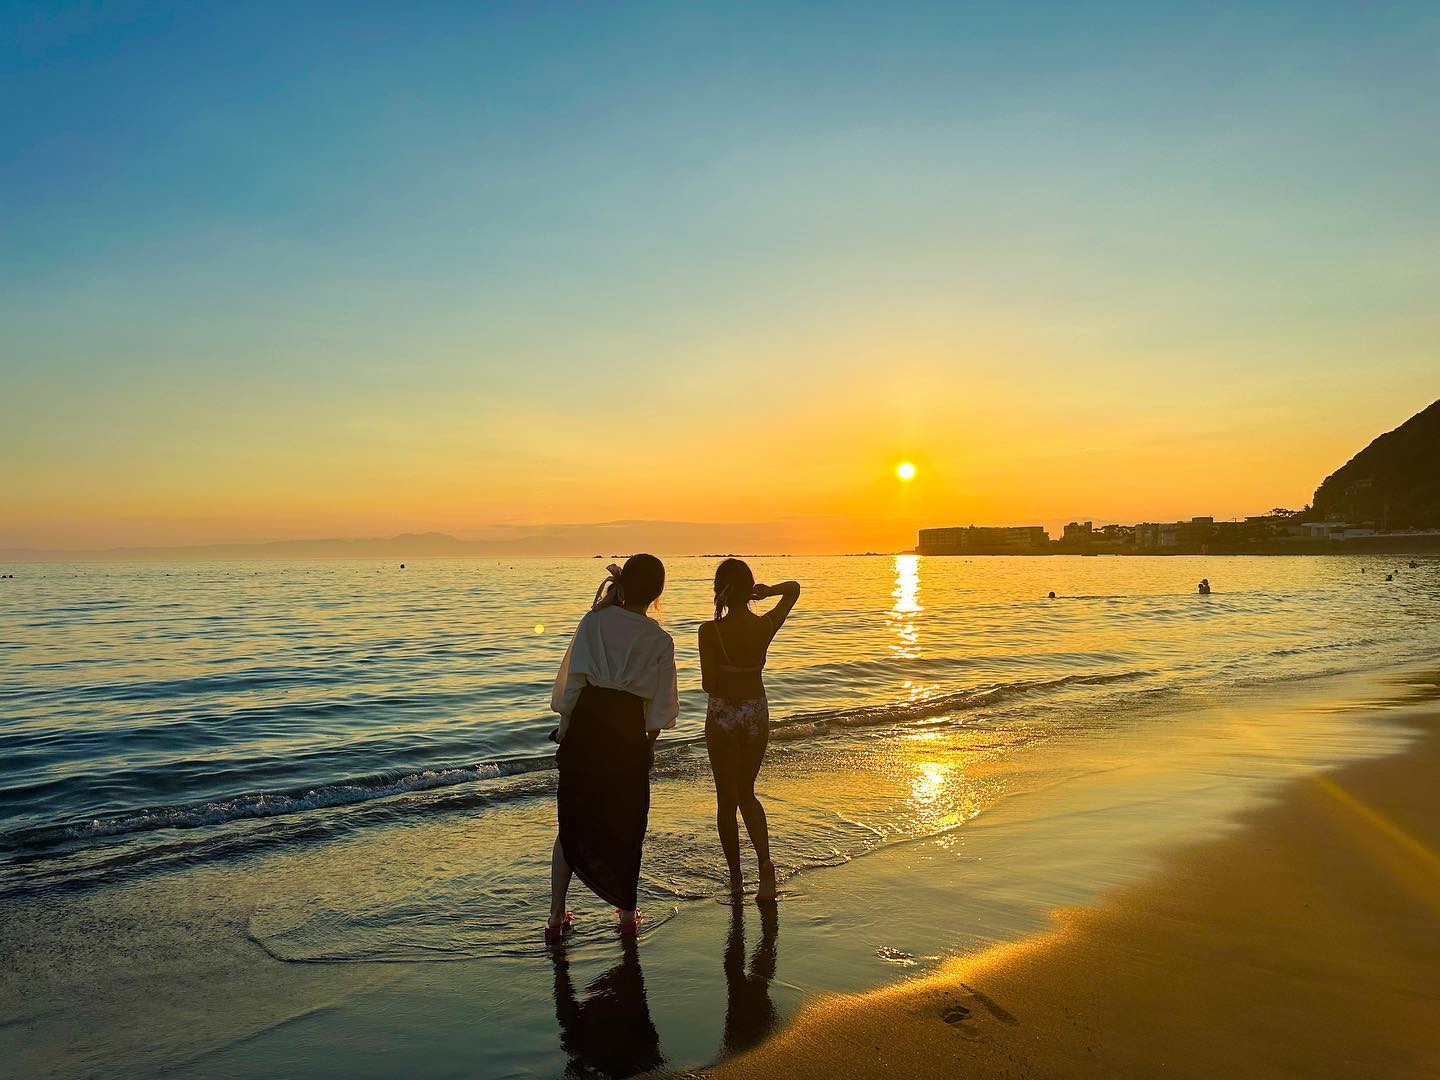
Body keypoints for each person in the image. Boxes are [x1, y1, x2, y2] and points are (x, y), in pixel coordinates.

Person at [546, 555, 678, 941]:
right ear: (657, 593)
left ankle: (556, 916)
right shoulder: (660, 639)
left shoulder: (593, 621)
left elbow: (572, 686)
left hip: (587, 727)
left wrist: (565, 731)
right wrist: (646, 746)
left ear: (623, 586)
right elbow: (660, 709)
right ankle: (625, 911)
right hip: (626, 732)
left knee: (572, 820)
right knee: (628, 821)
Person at [698, 559, 800, 902]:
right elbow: (794, 589)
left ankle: (736, 881)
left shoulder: (708, 631)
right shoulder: (764, 625)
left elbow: (708, 683)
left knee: (726, 802)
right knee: (747, 793)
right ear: (749, 589)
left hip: (724, 715)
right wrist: (768, 592)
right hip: (756, 712)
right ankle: (766, 868)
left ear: (719, 590)